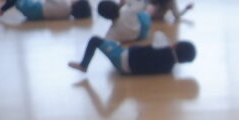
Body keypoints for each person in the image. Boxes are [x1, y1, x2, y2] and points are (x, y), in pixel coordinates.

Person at [67, 35, 196, 75]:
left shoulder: (164, 47)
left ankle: (83, 65)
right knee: (115, 44)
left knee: (95, 40)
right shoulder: (169, 69)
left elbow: (158, 35)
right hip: (130, 70)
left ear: (176, 45)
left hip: (122, 58)